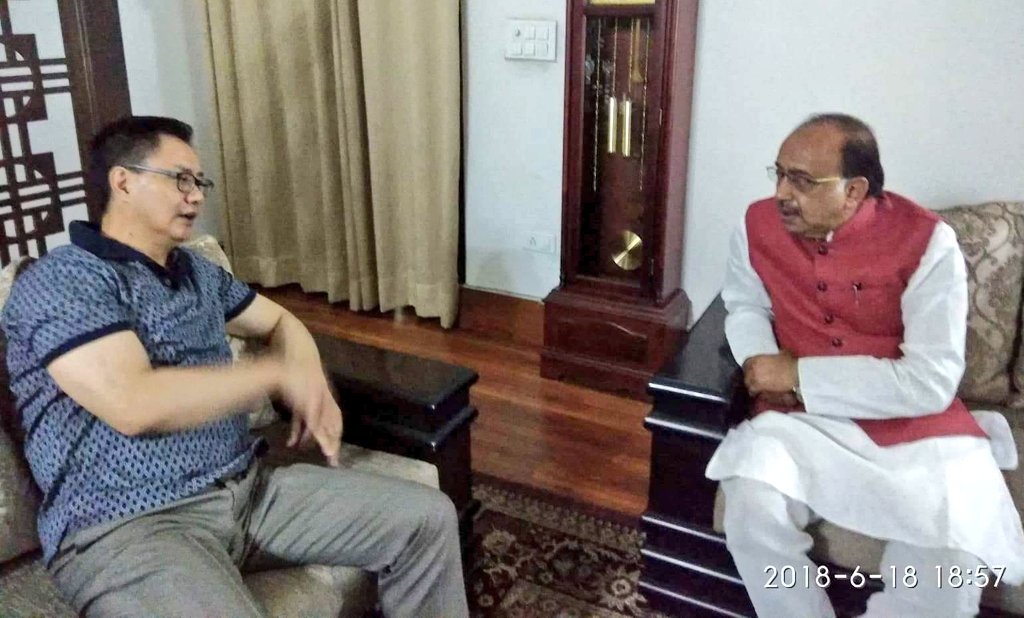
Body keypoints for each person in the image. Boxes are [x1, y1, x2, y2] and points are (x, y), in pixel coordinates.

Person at [0, 116, 468, 617]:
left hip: (246, 492)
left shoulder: (196, 272)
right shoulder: (62, 280)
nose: (196, 196)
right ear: (124, 181)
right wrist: (274, 373)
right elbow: (133, 404)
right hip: (129, 526)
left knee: (426, 519)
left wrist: (310, 381)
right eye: (181, 179)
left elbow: (280, 321)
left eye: (199, 183)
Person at [705, 113, 1024, 617]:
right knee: (751, 505)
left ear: (853, 191)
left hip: (914, 425)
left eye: (802, 181)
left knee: (949, 557)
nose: (782, 193)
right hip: (799, 421)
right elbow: (744, 303)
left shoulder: (928, 241)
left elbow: (932, 380)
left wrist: (799, 376)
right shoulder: (756, 224)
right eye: (780, 174)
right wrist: (760, 361)